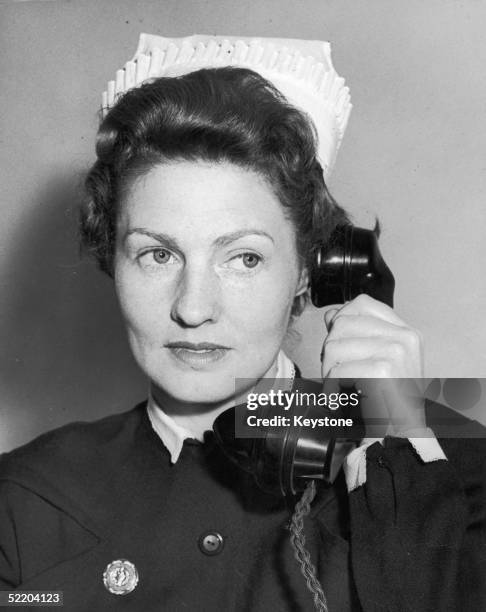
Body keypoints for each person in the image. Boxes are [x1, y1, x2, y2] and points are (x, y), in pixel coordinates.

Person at [0, 35, 484, 612]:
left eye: (245, 258)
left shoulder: (457, 476)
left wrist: (392, 443)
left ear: (311, 270)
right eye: (158, 254)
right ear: (112, 259)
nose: (194, 307)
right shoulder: (27, 497)